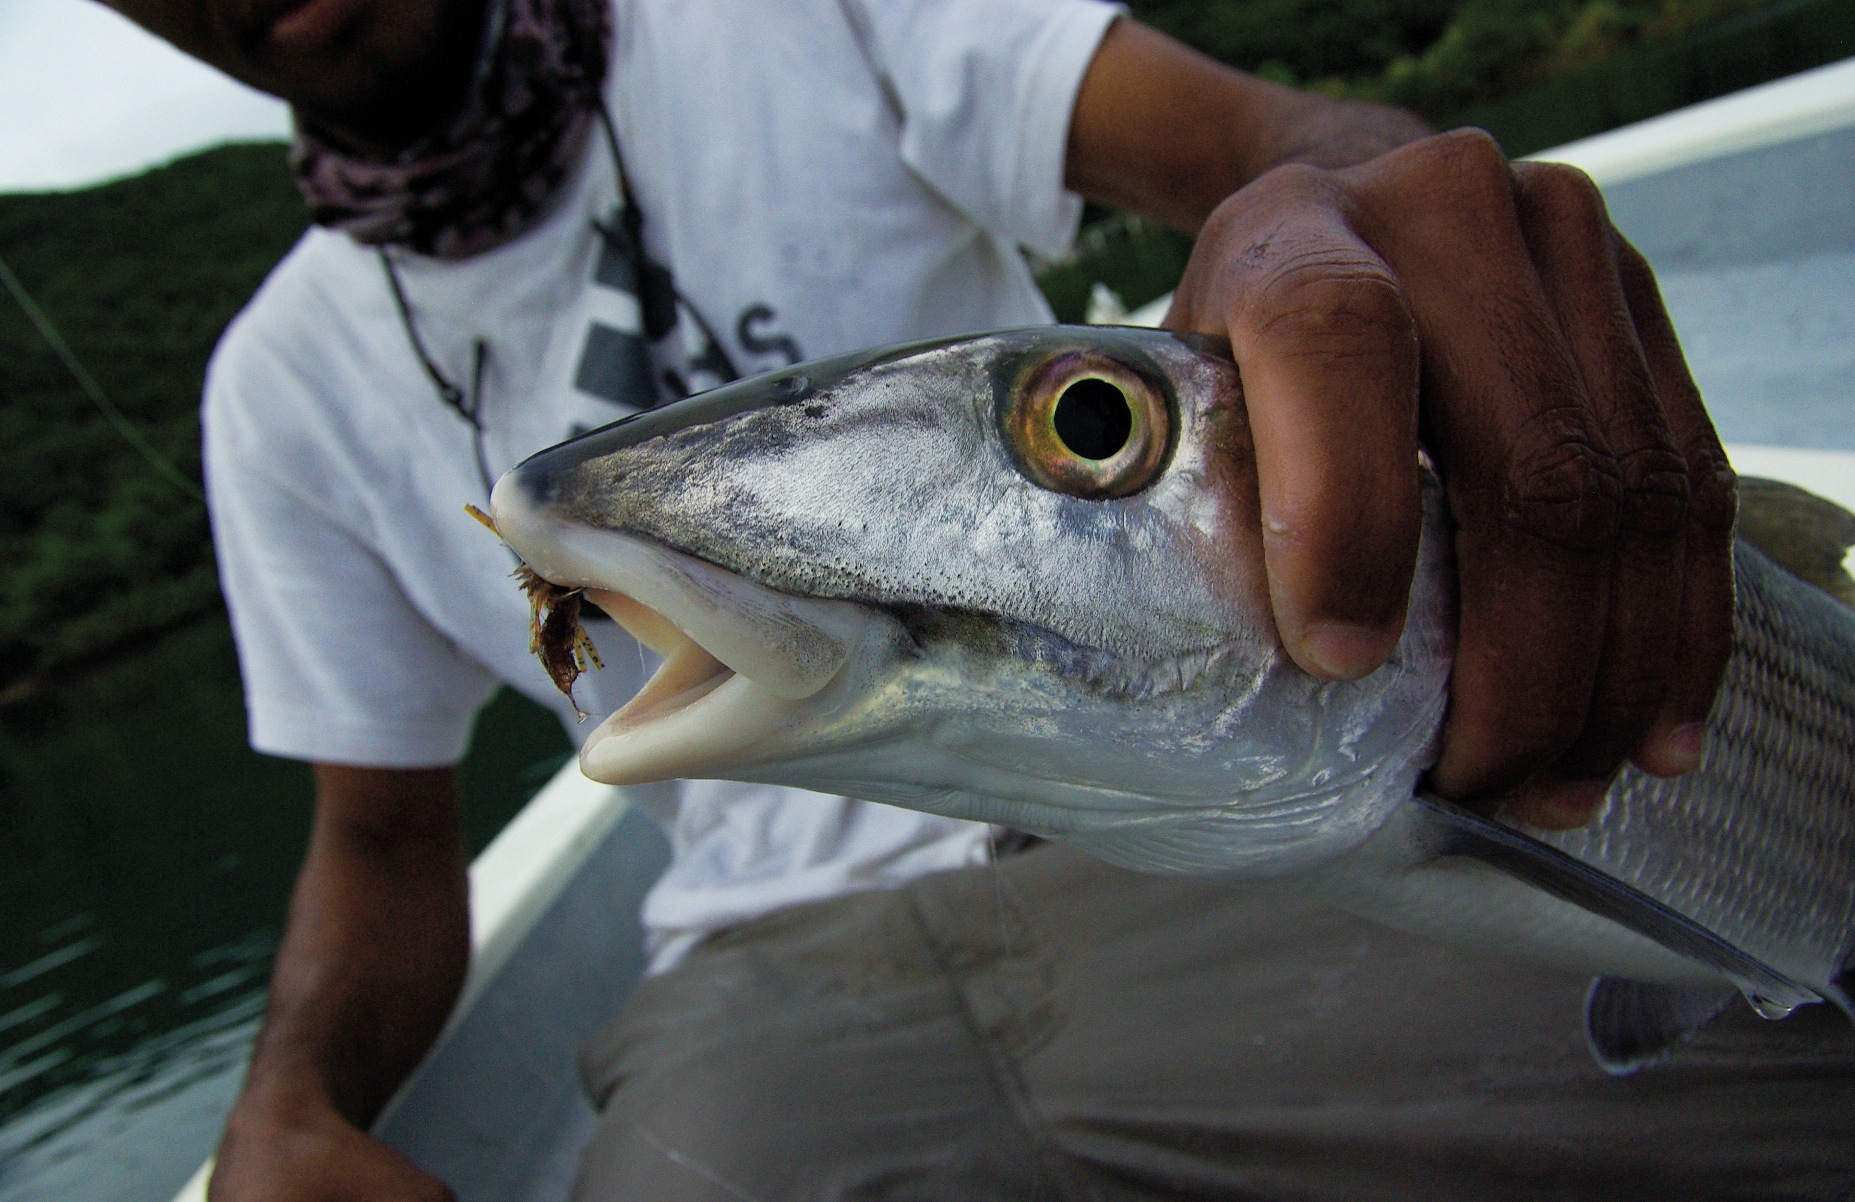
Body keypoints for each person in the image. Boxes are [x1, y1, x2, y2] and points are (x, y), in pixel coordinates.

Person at [95, 0, 1855, 1198]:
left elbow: (1273, 138)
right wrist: (290, 1094)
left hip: (1225, 850)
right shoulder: (275, 392)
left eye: (1085, 430)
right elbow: (385, 839)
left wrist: (1353, 206)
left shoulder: (794, 19)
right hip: (749, 981)